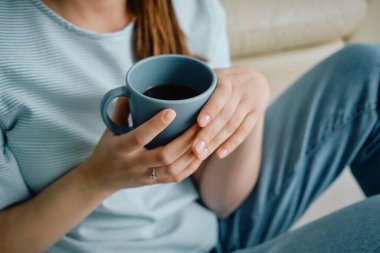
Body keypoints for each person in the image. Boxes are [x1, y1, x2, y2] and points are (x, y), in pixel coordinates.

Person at [0, 0, 379, 252]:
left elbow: (221, 201)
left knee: (368, 68)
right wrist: (97, 179)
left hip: (213, 231)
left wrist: (249, 103)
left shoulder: (189, 7)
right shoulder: (10, 42)